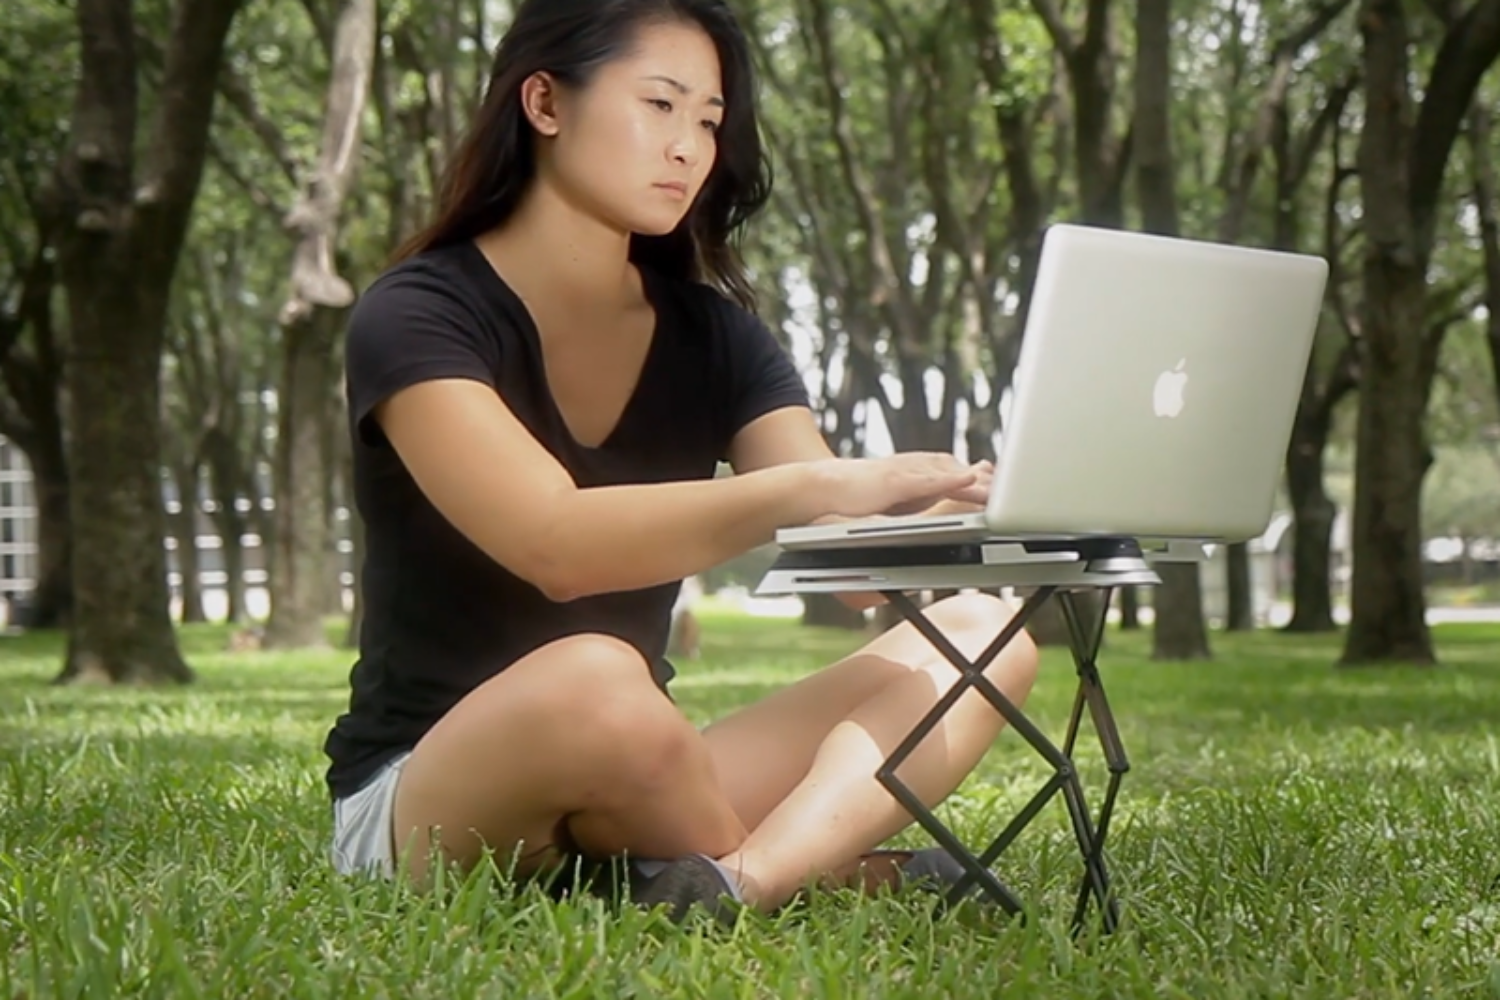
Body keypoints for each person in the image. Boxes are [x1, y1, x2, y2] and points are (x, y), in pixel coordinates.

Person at [324, 0, 1039, 923]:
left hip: (644, 762)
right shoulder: (418, 313)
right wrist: (820, 483)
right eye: (660, 105)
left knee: (983, 635)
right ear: (545, 103)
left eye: (708, 121)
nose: (689, 148)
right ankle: (822, 868)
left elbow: (849, 566)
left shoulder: (717, 338)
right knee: (595, 674)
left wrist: (960, 514)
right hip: (427, 789)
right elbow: (556, 543)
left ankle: (741, 884)